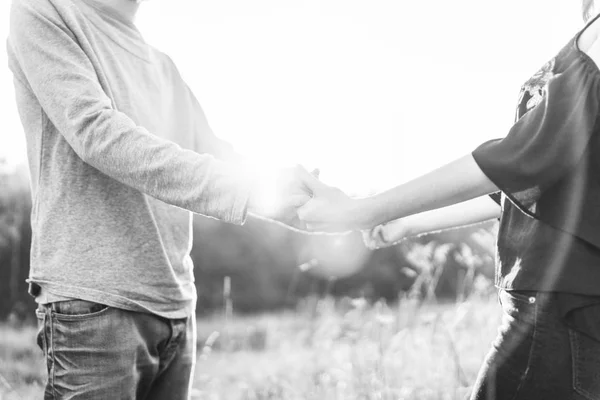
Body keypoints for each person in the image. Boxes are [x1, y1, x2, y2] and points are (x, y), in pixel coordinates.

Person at [7, 0, 316, 398]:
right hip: (94, 307)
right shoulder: (43, 10)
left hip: (176, 307)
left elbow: (218, 154)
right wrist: (253, 191)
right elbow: (95, 133)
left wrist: (297, 198)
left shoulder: (162, 65)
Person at [298, 1, 600, 399]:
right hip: (559, 304)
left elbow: (518, 158)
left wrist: (358, 211)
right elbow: (526, 183)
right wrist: (410, 222)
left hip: (561, 305)